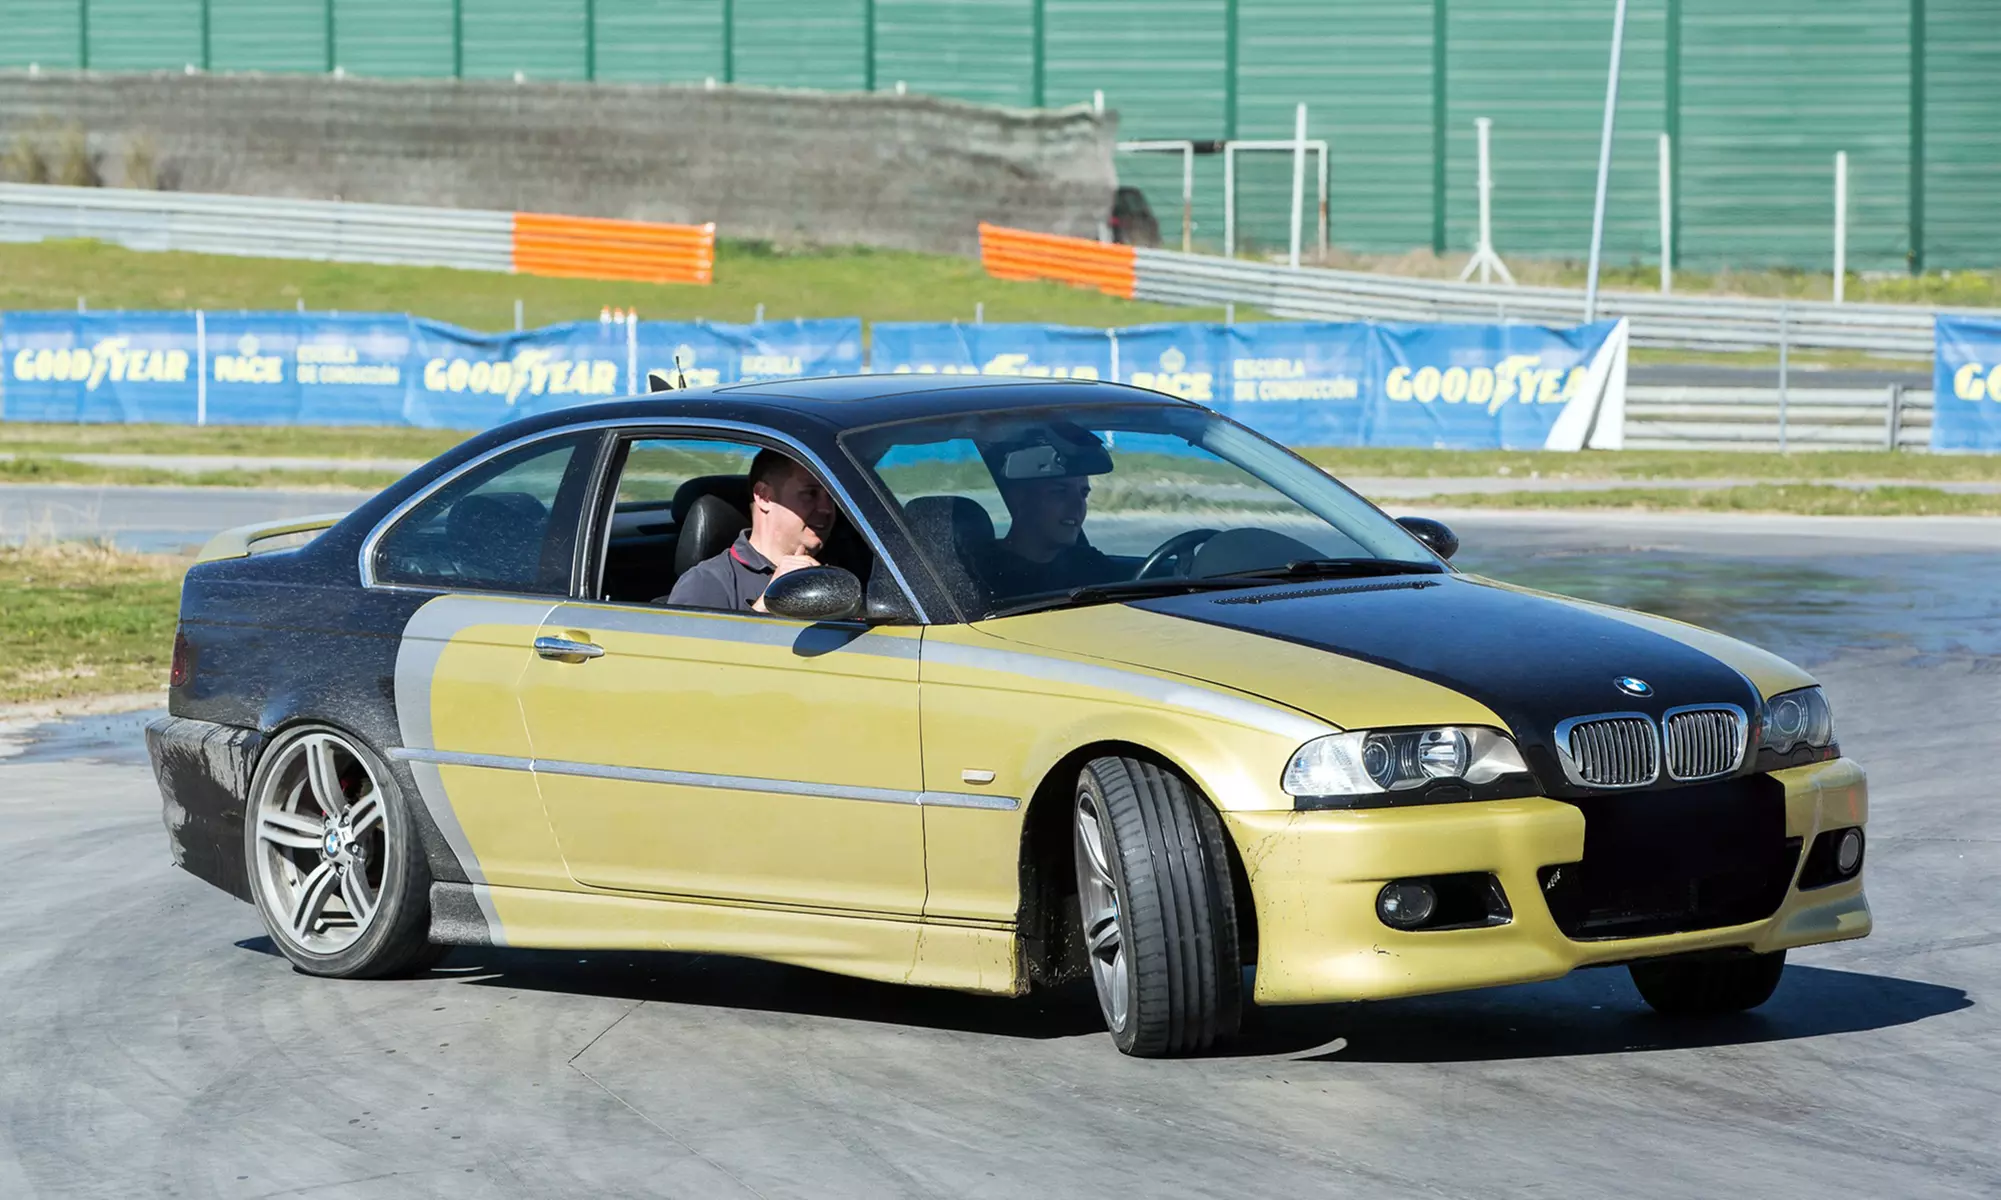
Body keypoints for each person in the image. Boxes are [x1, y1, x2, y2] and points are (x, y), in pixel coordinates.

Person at [666, 449, 835, 613]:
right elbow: (686, 643)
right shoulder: (707, 583)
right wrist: (767, 607)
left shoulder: (842, 571)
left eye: (831, 496)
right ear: (764, 497)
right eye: (810, 493)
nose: (826, 509)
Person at [976, 426, 1124, 600]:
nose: (1077, 505)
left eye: (1083, 494)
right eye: (1060, 492)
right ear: (1019, 498)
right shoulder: (981, 576)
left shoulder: (1089, 564)